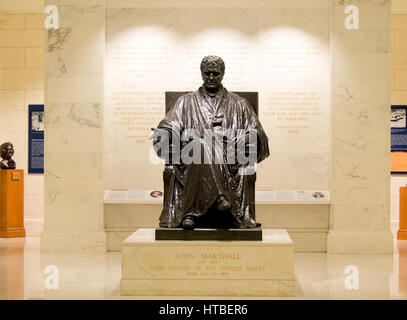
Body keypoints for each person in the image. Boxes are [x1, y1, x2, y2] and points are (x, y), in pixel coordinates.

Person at [152, 56, 269, 229]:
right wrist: (168, 135)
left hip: (230, 159)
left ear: (223, 74)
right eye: (207, 74)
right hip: (192, 158)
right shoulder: (185, 102)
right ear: (201, 73)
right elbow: (167, 127)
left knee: (206, 145)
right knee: (201, 145)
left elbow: (259, 135)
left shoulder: (240, 104)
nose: (211, 77)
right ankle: (220, 197)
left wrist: (244, 137)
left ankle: (190, 213)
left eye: (215, 73)